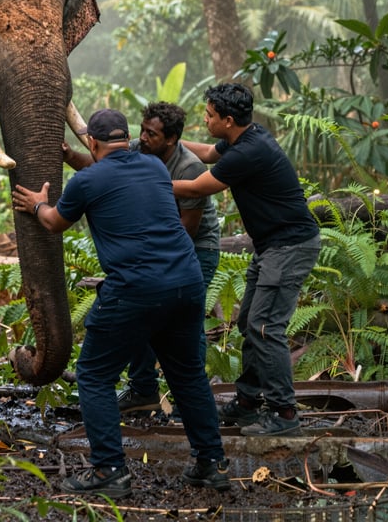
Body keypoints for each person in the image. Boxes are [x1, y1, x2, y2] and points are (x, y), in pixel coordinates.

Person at [13, 109, 230, 498]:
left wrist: (37, 204)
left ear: (93, 143)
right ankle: (210, 464)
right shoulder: (155, 168)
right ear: (127, 138)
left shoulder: (87, 179)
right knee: (188, 375)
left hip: (135, 288)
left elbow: (53, 222)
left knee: (94, 375)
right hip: (187, 282)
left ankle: (109, 470)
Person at [172, 83, 321, 437]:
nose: (204, 120)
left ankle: (285, 414)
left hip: (289, 247)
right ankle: (249, 402)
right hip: (271, 246)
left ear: (227, 120)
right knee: (250, 323)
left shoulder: (249, 152)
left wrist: (147, 179)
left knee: (266, 326)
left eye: (208, 115)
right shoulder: (244, 136)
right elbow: (208, 152)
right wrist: (170, 143)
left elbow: (198, 187)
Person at [63, 102, 221, 415]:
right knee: (145, 317)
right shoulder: (139, 150)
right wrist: (69, 155)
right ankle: (143, 389)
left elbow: (185, 233)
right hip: (158, 248)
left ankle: (188, 395)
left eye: (152, 134)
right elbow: (100, 170)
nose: (143, 138)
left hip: (192, 250)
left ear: (172, 139)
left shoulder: (188, 168)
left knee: (185, 327)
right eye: (143, 130)